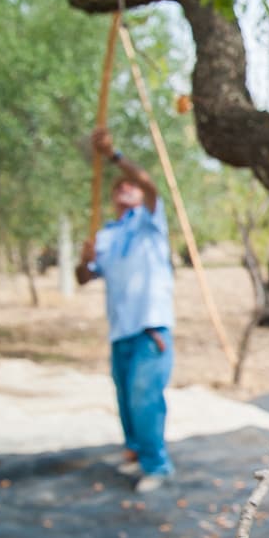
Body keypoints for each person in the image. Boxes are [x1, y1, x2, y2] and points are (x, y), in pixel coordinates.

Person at [75, 128, 175, 493]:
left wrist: (113, 154)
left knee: (145, 397)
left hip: (151, 326)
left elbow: (148, 183)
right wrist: (84, 262)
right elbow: (84, 278)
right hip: (120, 330)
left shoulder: (150, 222)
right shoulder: (106, 235)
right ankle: (136, 455)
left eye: (128, 185)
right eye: (118, 187)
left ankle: (158, 465)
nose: (125, 189)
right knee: (126, 398)